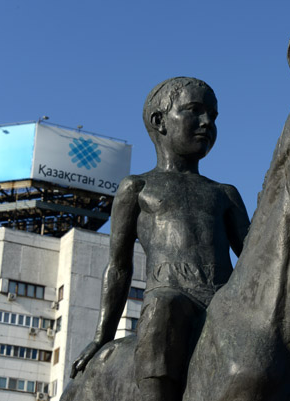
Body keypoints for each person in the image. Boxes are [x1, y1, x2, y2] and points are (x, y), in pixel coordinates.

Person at [70, 77, 250, 401]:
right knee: (163, 305)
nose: (207, 122)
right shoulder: (136, 188)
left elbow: (254, 259)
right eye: (195, 111)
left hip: (223, 304)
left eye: (213, 115)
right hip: (171, 300)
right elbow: (119, 268)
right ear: (159, 121)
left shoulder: (225, 194)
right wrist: (102, 337)